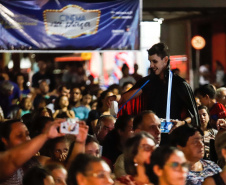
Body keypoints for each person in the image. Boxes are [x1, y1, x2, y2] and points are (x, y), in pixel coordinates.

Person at [107, 43, 199, 128]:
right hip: (151, 132)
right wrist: (115, 98)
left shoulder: (180, 84)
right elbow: (126, 98)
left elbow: (193, 115)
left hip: (173, 136)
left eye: (154, 61)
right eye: (150, 61)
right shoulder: (148, 81)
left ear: (165, 60)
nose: (151, 65)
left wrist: (182, 123)